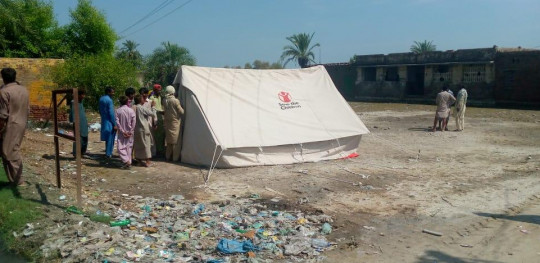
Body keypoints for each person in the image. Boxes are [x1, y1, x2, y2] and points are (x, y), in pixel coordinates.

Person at [0, 68, 29, 186]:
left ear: (3, 77)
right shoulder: (23, 90)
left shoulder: (4, 92)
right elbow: (27, 109)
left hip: (10, 124)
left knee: (10, 152)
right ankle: (14, 180)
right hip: (21, 122)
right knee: (5, 150)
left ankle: (19, 181)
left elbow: (3, 115)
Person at [162, 85, 185, 162]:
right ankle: (175, 158)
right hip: (175, 123)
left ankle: (167, 156)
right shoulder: (175, 101)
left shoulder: (164, 100)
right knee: (176, 142)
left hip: (168, 123)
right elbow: (181, 112)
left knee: (169, 141)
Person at [133, 94, 157, 167]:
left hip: (136, 129)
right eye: (143, 98)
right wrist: (153, 107)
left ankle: (139, 161)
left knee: (138, 145)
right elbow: (152, 114)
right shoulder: (141, 108)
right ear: (140, 100)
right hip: (143, 128)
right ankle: (147, 161)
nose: (144, 100)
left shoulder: (133, 107)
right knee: (146, 145)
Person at [115, 95, 136, 169]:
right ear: (127, 102)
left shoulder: (118, 111)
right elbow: (134, 122)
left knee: (120, 148)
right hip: (130, 132)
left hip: (122, 133)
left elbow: (117, 123)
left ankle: (127, 161)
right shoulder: (131, 110)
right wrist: (131, 131)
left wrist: (122, 131)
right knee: (129, 148)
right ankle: (128, 162)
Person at [69, 89, 89, 156]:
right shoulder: (74, 102)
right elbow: (73, 114)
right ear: (78, 95)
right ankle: (76, 154)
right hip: (78, 123)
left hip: (83, 122)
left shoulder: (80, 102)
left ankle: (82, 152)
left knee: (84, 138)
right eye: (82, 95)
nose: (83, 96)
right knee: (78, 138)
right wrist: (75, 123)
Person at [99, 87, 117, 158]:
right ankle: (108, 153)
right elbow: (111, 113)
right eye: (112, 92)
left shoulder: (101, 99)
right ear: (108, 92)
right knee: (111, 138)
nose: (113, 94)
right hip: (110, 121)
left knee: (107, 138)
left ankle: (107, 152)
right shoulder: (109, 100)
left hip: (104, 120)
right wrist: (114, 124)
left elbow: (100, 110)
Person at [138, 87, 156, 156]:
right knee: (142, 140)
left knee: (151, 139)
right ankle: (143, 154)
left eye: (145, 94)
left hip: (149, 123)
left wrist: (155, 123)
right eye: (142, 94)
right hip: (140, 123)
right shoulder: (138, 103)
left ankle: (152, 153)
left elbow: (154, 114)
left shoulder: (150, 102)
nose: (144, 95)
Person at [149, 84, 165, 156]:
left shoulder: (160, 97)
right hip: (156, 117)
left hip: (161, 118)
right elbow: (152, 109)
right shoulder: (152, 98)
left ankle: (161, 149)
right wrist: (160, 112)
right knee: (156, 135)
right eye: (158, 90)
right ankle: (158, 151)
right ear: (154, 90)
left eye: (160, 90)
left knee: (162, 134)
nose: (159, 91)